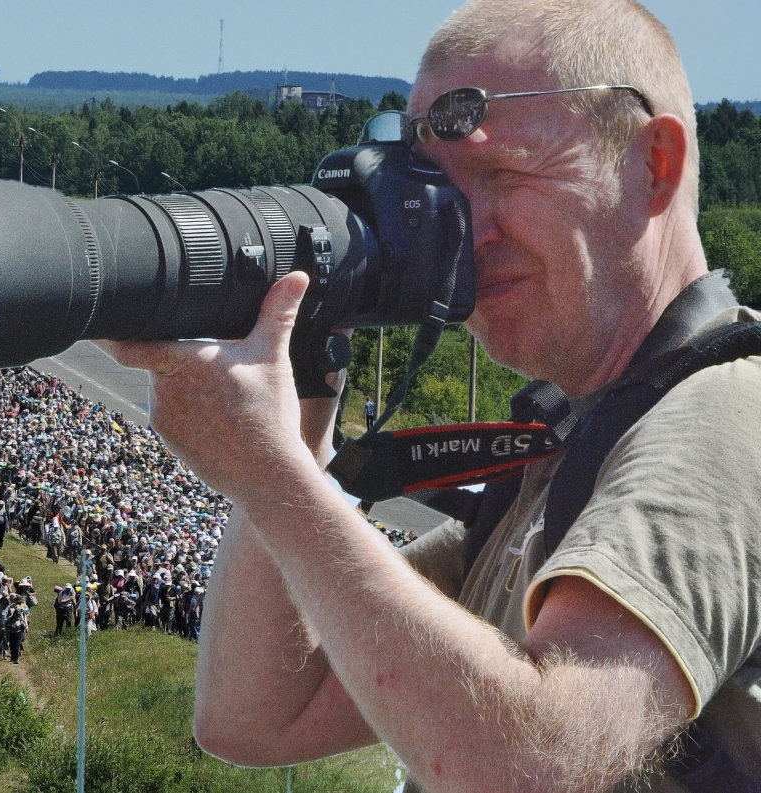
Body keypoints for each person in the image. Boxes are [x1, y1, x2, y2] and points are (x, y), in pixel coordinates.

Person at [100, 2, 761, 791]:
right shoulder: (572, 448)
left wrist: (272, 477)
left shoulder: (722, 417)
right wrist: (309, 391)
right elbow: (257, 712)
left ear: (652, 165)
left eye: (502, 177)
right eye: (442, 196)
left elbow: (535, 765)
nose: (463, 232)